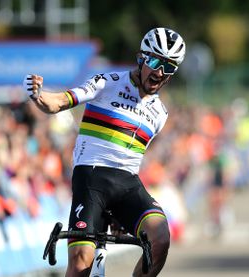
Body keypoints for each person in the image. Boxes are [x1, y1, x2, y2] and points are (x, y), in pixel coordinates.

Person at [23, 27, 186, 276]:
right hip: (91, 179)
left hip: (127, 185)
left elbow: (133, 161)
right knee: (80, 264)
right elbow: (59, 102)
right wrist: (38, 95)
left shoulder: (160, 114)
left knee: (160, 237)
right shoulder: (106, 82)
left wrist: (120, 216)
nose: (160, 72)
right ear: (141, 58)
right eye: (154, 61)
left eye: (169, 66)